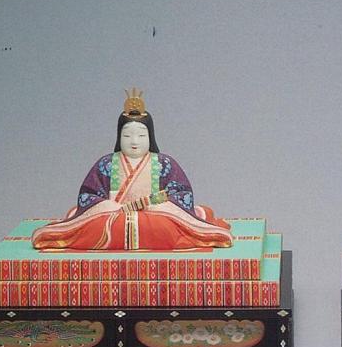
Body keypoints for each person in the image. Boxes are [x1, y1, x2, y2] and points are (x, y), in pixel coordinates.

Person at [31, 89, 233, 251]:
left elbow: (183, 195)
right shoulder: (106, 164)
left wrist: (161, 205)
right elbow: (87, 196)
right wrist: (106, 205)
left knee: (164, 228)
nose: (134, 141)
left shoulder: (164, 163)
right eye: (127, 136)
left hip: (154, 216)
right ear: (119, 137)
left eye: (141, 136)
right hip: (114, 215)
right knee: (98, 227)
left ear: (150, 136)